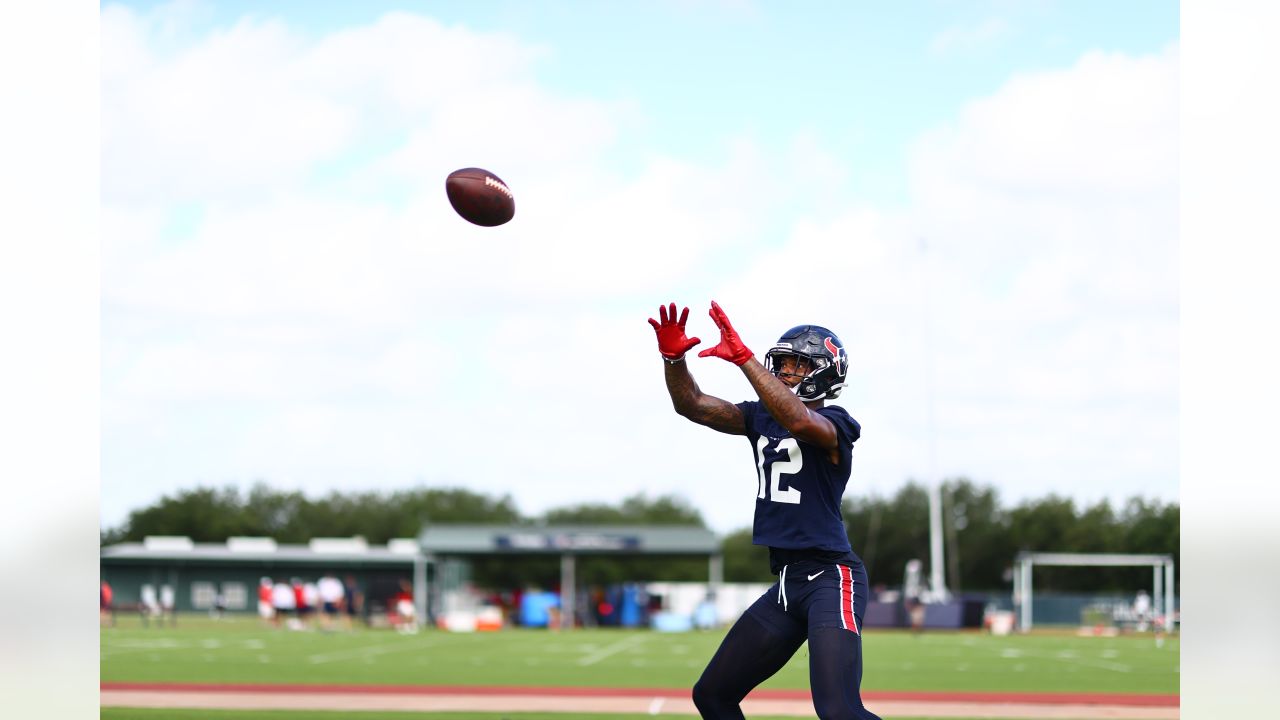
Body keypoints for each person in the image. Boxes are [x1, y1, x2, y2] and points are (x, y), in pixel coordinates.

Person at [649, 301, 881, 720]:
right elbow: (693, 404)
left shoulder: (838, 422)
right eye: (784, 363)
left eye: (798, 365)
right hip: (789, 583)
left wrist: (743, 359)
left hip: (832, 578)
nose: (786, 372)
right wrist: (674, 359)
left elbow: (801, 424)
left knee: (839, 711)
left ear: (826, 372)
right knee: (713, 695)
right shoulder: (761, 417)